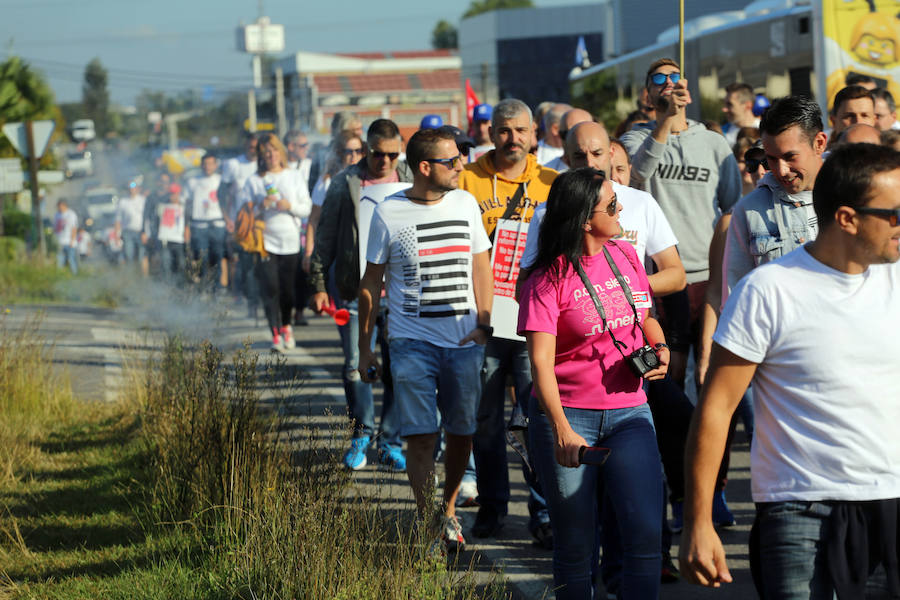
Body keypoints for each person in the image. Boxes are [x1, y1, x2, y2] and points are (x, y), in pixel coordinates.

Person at [680, 142, 900, 598]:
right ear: (847, 218)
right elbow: (716, 411)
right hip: (799, 507)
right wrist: (698, 522)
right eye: (894, 214)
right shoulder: (768, 291)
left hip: (892, 498)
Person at [519, 167, 670, 599]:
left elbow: (645, 317)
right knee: (576, 543)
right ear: (586, 219)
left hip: (630, 411)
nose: (621, 209)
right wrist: (562, 430)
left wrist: (661, 349)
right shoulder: (545, 279)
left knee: (644, 536)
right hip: (567, 418)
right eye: (611, 205)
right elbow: (540, 364)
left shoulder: (624, 254)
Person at [357, 127, 493, 554]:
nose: (460, 166)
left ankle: (448, 508)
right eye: (452, 161)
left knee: (462, 432)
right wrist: (365, 348)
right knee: (421, 436)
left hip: (464, 342)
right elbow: (370, 281)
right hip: (410, 342)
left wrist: (484, 323)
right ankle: (426, 521)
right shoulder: (388, 212)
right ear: (424, 167)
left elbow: (481, 267)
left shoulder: (466, 203)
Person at [458, 98, 557, 543]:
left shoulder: (552, 182)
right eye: (503, 130)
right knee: (485, 421)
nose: (512, 139)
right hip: (483, 316)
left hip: (532, 318)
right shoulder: (467, 180)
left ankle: (543, 511)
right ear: (490, 132)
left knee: (536, 418)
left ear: (534, 133)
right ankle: (493, 506)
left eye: (520, 130)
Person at [621, 58, 742, 390]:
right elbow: (638, 173)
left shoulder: (714, 144)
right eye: (659, 78)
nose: (668, 83)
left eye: (675, 77)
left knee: (712, 374)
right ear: (648, 93)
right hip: (660, 278)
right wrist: (664, 120)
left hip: (707, 277)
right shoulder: (635, 138)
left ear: (687, 89)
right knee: (668, 373)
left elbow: (731, 207)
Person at [310, 118, 411, 472]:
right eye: (377, 153)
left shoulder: (412, 180)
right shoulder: (345, 182)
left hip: (400, 293)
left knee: (399, 368)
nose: (384, 161)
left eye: (391, 154)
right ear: (366, 148)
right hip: (355, 290)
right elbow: (324, 239)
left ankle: (390, 441)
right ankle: (360, 436)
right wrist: (320, 284)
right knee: (355, 365)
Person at [723, 95, 826, 301]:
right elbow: (736, 295)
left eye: (790, 157)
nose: (781, 170)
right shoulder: (748, 209)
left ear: (819, 144)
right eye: (771, 159)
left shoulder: (851, 196)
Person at [240, 133, 311, 351]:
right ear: (261, 156)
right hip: (264, 242)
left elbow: (306, 208)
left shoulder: (294, 176)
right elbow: (242, 211)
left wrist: (288, 205)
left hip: (289, 240)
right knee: (270, 288)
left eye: (273, 150)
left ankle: (287, 325)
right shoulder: (254, 180)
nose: (270, 155)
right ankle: (275, 333)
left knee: (287, 290)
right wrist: (261, 205)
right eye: (265, 152)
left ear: (281, 152)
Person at [304, 131, 365, 273]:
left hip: (363, 250)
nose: (354, 156)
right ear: (339, 153)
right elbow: (313, 219)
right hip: (336, 250)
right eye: (348, 151)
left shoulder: (368, 179)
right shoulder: (327, 181)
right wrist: (308, 252)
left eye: (358, 151)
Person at [221, 133, 259, 315]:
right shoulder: (234, 165)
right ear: (245, 146)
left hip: (262, 224)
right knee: (246, 265)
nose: (255, 151)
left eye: (257, 147)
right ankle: (250, 302)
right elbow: (222, 194)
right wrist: (227, 218)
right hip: (241, 224)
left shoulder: (266, 164)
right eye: (251, 147)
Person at [185, 153, 227, 292]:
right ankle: (204, 286)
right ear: (201, 165)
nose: (208, 166)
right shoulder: (193, 181)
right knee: (202, 257)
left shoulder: (221, 180)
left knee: (217, 256)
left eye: (211, 163)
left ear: (216, 165)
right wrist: (186, 226)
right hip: (199, 225)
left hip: (218, 224)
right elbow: (187, 204)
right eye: (205, 163)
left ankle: (217, 287)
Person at [543, 108, 594, 172]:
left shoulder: (603, 169)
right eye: (568, 134)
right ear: (559, 134)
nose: (578, 141)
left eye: (586, 134)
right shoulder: (547, 173)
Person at [156, 183, 187, 283]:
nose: (173, 196)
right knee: (166, 263)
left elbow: (187, 222)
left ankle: (180, 284)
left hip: (179, 240)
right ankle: (168, 285)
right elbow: (156, 221)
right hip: (165, 240)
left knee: (181, 263)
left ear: (179, 193)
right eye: (171, 194)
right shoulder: (162, 206)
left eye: (175, 194)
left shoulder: (184, 206)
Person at [116, 180, 147, 271]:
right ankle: (132, 275)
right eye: (130, 188)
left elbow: (147, 217)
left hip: (140, 231)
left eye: (133, 188)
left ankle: (143, 277)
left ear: (137, 189)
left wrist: (146, 233)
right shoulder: (123, 202)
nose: (131, 190)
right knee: (129, 255)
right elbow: (118, 219)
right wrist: (117, 235)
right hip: (127, 232)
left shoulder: (143, 200)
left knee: (142, 255)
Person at [721, 82, 760, 147]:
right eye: (725, 104)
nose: (724, 109)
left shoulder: (765, 131)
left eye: (730, 104)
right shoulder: (721, 134)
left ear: (748, 105)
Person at [54, 199, 78, 275]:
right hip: (60, 241)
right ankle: (61, 275)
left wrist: (72, 240)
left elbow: (74, 228)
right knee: (60, 260)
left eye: (60, 206)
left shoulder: (71, 214)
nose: (59, 208)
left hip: (69, 241)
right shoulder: (57, 215)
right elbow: (56, 228)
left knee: (71, 259)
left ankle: (74, 274)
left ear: (64, 205)